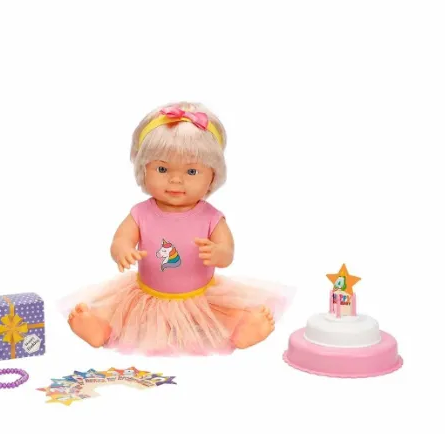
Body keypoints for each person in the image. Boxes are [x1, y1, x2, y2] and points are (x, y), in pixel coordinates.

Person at [60, 102, 293, 355]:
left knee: (221, 314)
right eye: (162, 168)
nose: (175, 179)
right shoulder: (140, 213)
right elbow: (121, 239)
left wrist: (219, 253)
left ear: (212, 176)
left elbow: (227, 252)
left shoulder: (212, 217)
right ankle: (99, 327)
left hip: (200, 295)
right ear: (143, 169)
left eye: (191, 171)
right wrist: (123, 251)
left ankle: (244, 327)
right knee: (118, 312)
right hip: (147, 293)